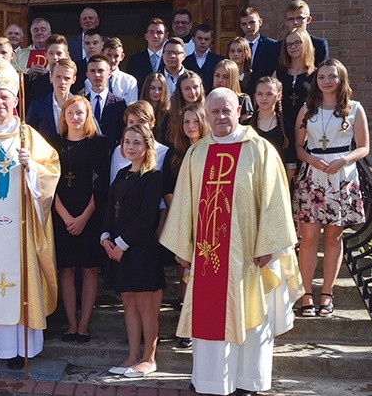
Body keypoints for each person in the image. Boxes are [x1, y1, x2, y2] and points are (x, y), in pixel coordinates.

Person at [160, 87, 303, 396]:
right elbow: (184, 201)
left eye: (226, 110)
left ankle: (248, 381)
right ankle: (211, 380)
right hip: (208, 254)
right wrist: (183, 247)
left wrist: (270, 244)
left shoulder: (260, 150)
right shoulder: (197, 153)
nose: (221, 116)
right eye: (215, 112)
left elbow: (275, 199)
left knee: (251, 314)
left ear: (238, 111)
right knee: (209, 316)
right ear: (207, 116)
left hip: (249, 255)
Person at [0, 56, 60, 370]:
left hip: (21, 229)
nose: (0, 101)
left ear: (15, 100)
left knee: (19, 280)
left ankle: (21, 348)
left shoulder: (29, 137)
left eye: (5, 96)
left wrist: (33, 170)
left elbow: (51, 172)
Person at [294, 59, 369, 318]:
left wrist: (344, 160)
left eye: (332, 77)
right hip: (313, 176)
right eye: (322, 76)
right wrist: (312, 159)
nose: (326, 81)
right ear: (316, 80)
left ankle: (327, 293)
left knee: (333, 238)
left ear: (341, 79)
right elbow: (299, 148)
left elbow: (364, 147)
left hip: (342, 176)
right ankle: (306, 294)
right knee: (309, 238)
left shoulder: (355, 109)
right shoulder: (307, 109)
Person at [102, 124, 164, 378]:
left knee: (144, 304)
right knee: (127, 301)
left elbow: (147, 216)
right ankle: (131, 356)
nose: (130, 147)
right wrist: (105, 238)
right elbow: (109, 209)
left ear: (147, 146)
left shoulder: (153, 176)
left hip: (141, 251)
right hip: (118, 249)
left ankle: (148, 358)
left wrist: (121, 244)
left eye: (136, 142)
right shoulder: (121, 174)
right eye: (127, 142)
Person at [54, 96, 109, 344]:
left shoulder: (97, 144)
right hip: (62, 215)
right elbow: (49, 185)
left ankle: (84, 324)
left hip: (89, 216)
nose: (75, 118)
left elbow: (102, 184)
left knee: (89, 270)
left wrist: (84, 217)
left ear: (87, 116)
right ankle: (71, 324)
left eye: (80, 113)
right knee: (65, 270)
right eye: (70, 113)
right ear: (63, 116)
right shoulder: (54, 144)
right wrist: (66, 217)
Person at [162, 102, 211, 348]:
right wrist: (180, 211)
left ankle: (204, 321)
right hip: (183, 217)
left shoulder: (213, 150)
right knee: (184, 271)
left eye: (195, 121)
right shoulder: (177, 153)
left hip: (209, 219)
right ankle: (187, 322)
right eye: (186, 122)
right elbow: (168, 188)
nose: (190, 127)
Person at [274, 28, 315, 171]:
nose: (293, 47)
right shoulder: (279, 73)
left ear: (306, 44)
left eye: (297, 43)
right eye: (289, 44)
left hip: (307, 129)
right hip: (283, 127)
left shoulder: (315, 74)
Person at [246, 76, 295, 182]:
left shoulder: (286, 127)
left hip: (277, 181)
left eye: (269, 94)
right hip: (252, 182)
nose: (264, 98)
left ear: (278, 96)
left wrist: (284, 187)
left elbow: (291, 164)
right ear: (255, 96)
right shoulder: (246, 126)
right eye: (260, 94)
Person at [26, 58, 77, 149]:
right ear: (51, 77)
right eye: (58, 77)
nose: (62, 82)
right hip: (46, 159)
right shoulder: (37, 106)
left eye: (67, 78)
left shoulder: (82, 106)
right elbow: (28, 136)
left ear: (74, 80)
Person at [85, 54, 127, 151]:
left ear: (109, 73)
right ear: (87, 74)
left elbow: (122, 133)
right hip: (87, 154)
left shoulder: (119, 104)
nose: (97, 75)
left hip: (112, 155)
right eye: (92, 71)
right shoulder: (82, 103)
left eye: (101, 70)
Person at [238, 6, 278, 94]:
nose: (248, 27)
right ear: (241, 26)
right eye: (244, 24)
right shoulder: (236, 46)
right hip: (240, 91)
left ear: (260, 22)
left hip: (264, 92)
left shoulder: (272, 45)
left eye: (252, 22)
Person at [281, 0, 329, 65]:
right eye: (291, 19)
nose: (295, 22)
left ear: (308, 19)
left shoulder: (319, 45)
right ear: (286, 22)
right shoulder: (279, 46)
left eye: (299, 18)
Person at [183, 24, 225, 94]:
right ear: (193, 39)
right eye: (200, 38)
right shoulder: (184, 61)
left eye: (206, 39)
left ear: (211, 40)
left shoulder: (219, 61)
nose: (203, 42)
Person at [126, 17, 167, 88]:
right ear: (146, 36)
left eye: (159, 32)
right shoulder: (134, 60)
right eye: (151, 32)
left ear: (166, 36)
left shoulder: (170, 59)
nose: (155, 36)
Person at [139, 73, 170, 144]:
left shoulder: (168, 114)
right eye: (152, 88)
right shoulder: (138, 112)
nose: (156, 92)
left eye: (160, 89)